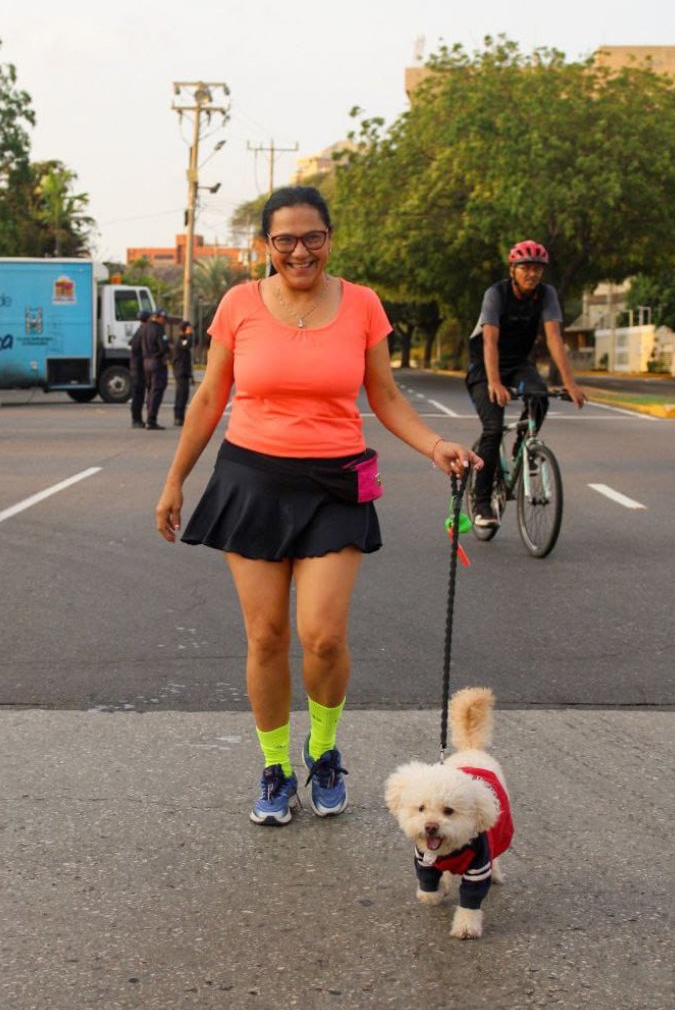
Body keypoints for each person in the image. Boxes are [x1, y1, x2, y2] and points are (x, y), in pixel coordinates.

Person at [155, 186, 480, 827]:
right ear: (266, 245)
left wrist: (435, 443)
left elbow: (384, 396)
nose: (299, 251)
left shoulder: (361, 304)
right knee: (267, 635)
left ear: (330, 238)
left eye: (312, 238)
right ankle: (275, 767)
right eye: (285, 240)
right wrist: (175, 480)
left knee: (323, 637)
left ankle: (323, 750)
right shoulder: (239, 304)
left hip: (335, 482)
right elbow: (209, 399)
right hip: (250, 480)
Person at [466, 239, 587, 529]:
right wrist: (494, 382)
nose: (532, 274)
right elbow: (490, 340)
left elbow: (555, 338)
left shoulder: (546, 295)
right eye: (526, 268)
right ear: (513, 269)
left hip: (520, 363)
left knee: (540, 397)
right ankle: (482, 502)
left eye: (538, 269)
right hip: (485, 366)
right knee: (493, 429)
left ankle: (524, 445)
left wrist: (570, 383)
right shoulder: (496, 294)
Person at [140, 309, 169, 430]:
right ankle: (151, 419)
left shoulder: (145, 328)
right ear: (157, 317)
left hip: (146, 361)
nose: (164, 320)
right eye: (163, 318)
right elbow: (163, 347)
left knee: (150, 390)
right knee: (157, 390)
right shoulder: (158, 329)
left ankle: (149, 416)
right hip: (157, 362)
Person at [129, 309, 152, 427]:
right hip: (138, 368)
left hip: (136, 367)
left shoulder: (139, 330)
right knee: (138, 395)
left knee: (138, 394)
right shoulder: (143, 331)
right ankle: (136, 419)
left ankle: (137, 419)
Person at [171, 321, 194, 426]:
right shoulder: (180, 341)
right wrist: (189, 335)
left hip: (185, 371)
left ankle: (181, 417)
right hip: (180, 371)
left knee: (184, 396)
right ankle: (178, 417)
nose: (191, 331)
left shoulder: (184, 340)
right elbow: (187, 345)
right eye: (189, 329)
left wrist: (191, 375)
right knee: (180, 395)